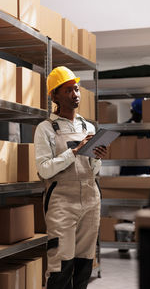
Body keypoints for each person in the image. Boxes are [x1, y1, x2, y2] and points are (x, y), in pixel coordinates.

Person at [34, 66, 107, 289]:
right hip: (62, 202)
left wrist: (97, 157)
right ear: (54, 95)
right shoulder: (45, 129)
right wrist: (73, 152)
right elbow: (44, 170)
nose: (75, 95)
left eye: (76, 89)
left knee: (84, 261)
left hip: (91, 198)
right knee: (61, 263)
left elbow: (93, 170)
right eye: (68, 90)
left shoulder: (88, 126)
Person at [120, 98, 150, 176]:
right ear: (132, 112)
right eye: (137, 114)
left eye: (140, 114)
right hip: (127, 169)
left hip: (143, 168)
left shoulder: (146, 129)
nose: (139, 117)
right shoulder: (123, 128)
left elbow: (149, 148)